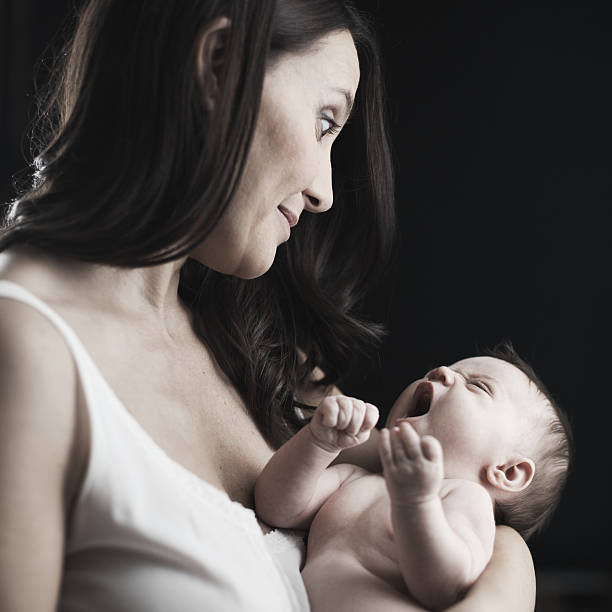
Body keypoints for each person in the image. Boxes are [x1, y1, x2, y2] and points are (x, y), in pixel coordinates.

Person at [0, 1, 536, 610]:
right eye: (324, 120)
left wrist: (507, 574)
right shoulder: (24, 346)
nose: (324, 194)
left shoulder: (258, 346)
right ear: (219, 64)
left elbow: (471, 487)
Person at [255, 344, 572, 611]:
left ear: (507, 472)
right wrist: (318, 443)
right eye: (447, 369)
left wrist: (416, 502)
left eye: (478, 386)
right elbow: (275, 506)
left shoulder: (464, 500)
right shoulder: (358, 478)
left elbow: (442, 587)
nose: (441, 372)